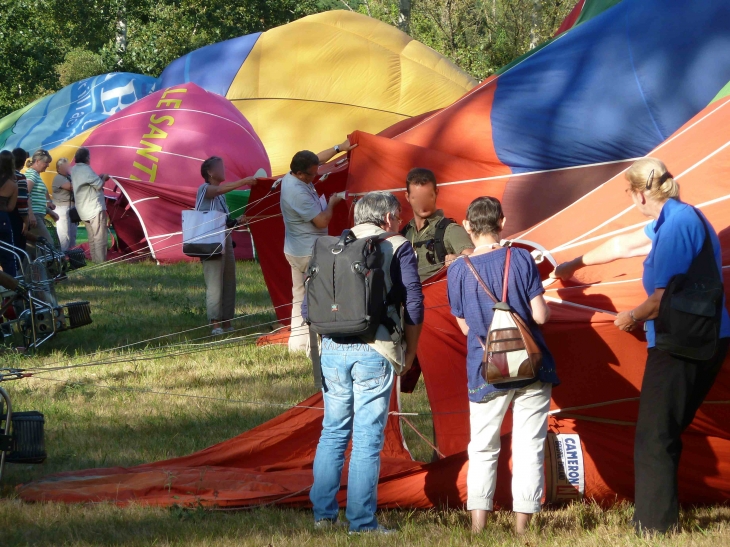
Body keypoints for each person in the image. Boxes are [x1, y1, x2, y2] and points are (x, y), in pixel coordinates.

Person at [551, 157, 730, 535]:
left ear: (638, 194)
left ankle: (655, 527)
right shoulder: (675, 218)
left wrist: (631, 317)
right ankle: (659, 518)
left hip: (682, 344)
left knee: (654, 436)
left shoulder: (678, 227)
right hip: (692, 339)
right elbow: (622, 244)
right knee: (662, 432)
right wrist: (573, 264)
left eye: (630, 194)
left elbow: (659, 299)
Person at [307, 190, 423, 534]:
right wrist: (411, 352)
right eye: (398, 215)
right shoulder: (399, 245)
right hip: (376, 348)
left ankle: (323, 517)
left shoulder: (334, 246)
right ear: (387, 218)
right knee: (368, 439)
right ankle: (361, 522)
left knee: (332, 433)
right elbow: (414, 303)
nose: (400, 221)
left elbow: (307, 307)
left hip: (331, 347)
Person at [447, 196, 559, 535]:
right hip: (531, 366)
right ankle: (522, 528)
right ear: (503, 222)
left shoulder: (457, 271)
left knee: (482, 448)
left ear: (467, 226)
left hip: (486, 371)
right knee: (529, 446)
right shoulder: (521, 258)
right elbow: (539, 315)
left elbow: (465, 327)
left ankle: (478, 528)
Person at [280, 139, 356, 353]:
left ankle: (298, 343)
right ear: (301, 174)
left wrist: (339, 148)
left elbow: (317, 160)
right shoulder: (297, 192)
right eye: (312, 175)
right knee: (319, 295)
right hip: (307, 253)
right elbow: (322, 221)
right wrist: (332, 203)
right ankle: (315, 345)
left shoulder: (295, 175)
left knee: (299, 296)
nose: (316, 176)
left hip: (295, 249)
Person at [197, 156, 259, 336]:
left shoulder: (221, 195)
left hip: (225, 238)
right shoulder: (205, 189)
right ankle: (215, 323)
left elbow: (225, 220)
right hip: (210, 241)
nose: (224, 170)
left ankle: (227, 321)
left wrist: (238, 221)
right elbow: (217, 190)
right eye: (220, 167)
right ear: (210, 172)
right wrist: (245, 181)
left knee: (229, 281)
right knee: (215, 282)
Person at [402, 168, 474, 281]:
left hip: (437, 296)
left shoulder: (450, 230)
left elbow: (476, 259)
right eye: (417, 198)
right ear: (407, 197)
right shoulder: (404, 233)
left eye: (427, 197)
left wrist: (458, 258)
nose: (423, 204)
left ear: (436, 193)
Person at [71, 147, 108, 263]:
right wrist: (104, 178)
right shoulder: (86, 169)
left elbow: (88, 183)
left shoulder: (74, 169)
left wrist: (99, 177)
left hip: (83, 209)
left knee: (92, 237)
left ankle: (94, 259)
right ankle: (101, 262)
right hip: (94, 207)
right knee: (99, 236)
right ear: (87, 158)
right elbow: (98, 185)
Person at [24, 149, 56, 256]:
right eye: (46, 162)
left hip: (37, 215)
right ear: (37, 161)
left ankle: (33, 271)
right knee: (48, 244)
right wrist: (31, 214)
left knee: (33, 248)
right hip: (34, 217)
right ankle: (48, 271)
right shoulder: (32, 175)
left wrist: (49, 210)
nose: (47, 165)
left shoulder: (36, 175)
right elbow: (26, 193)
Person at [52, 158, 77, 252]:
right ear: (59, 168)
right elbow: (73, 187)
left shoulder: (68, 177)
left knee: (72, 233)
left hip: (71, 208)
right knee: (64, 234)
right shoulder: (59, 178)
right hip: (62, 208)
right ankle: (63, 255)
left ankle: (72, 254)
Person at [0, 151, 19, 276]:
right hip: (3, 219)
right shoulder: (13, 185)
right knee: (8, 255)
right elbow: (11, 207)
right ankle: (11, 289)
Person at [10, 148, 29, 262]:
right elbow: (21, 201)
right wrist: (26, 221)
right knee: (17, 247)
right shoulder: (19, 177)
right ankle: (17, 277)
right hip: (15, 216)